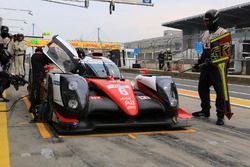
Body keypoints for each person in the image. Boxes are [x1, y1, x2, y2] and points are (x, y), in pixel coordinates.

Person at [192, 9, 231, 125]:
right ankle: (205, 110)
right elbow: (205, 51)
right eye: (205, 21)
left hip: (218, 68)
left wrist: (213, 61)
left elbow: (226, 54)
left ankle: (220, 116)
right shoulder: (205, 34)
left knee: (220, 92)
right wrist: (199, 63)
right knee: (202, 89)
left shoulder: (223, 33)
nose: (206, 23)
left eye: (208, 21)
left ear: (215, 20)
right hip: (206, 67)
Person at [29, 47, 51, 120]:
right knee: (39, 91)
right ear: (41, 51)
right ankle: (37, 107)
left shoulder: (33, 56)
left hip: (35, 75)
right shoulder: (42, 56)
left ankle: (32, 107)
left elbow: (37, 65)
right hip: (40, 75)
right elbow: (48, 62)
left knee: (34, 90)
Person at [0, 26, 12, 102]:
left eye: (6, 30)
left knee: (7, 81)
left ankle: (0, 94)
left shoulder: (10, 38)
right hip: (1, 60)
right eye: (3, 30)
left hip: (5, 60)